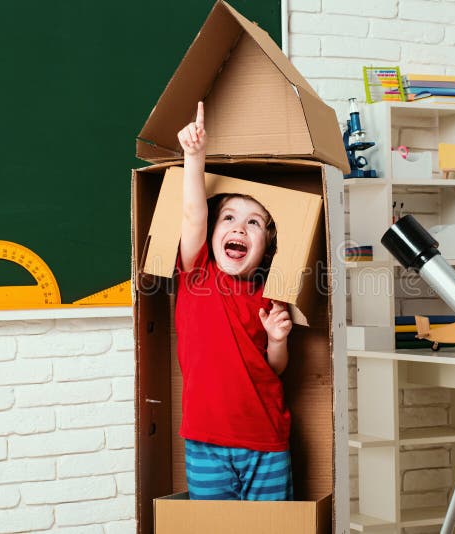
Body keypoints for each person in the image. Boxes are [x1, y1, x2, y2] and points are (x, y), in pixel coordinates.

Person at [175, 101, 294, 501]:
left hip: (266, 439)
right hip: (205, 440)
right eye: (228, 217)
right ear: (213, 233)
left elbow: (274, 369)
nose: (239, 227)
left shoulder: (268, 295)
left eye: (253, 223)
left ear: (266, 247)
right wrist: (194, 157)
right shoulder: (197, 274)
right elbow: (193, 215)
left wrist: (277, 339)